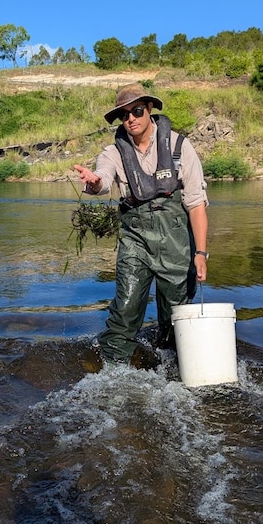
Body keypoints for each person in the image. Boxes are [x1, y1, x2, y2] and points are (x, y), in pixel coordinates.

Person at [73, 83, 209, 365]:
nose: (131, 119)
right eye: (124, 115)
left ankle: (173, 368)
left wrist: (201, 254)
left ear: (149, 110)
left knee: (176, 316)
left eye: (136, 111)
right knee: (124, 309)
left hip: (178, 243)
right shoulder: (113, 153)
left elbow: (196, 204)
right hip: (135, 240)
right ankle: (113, 372)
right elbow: (103, 178)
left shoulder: (180, 147)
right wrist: (95, 181)